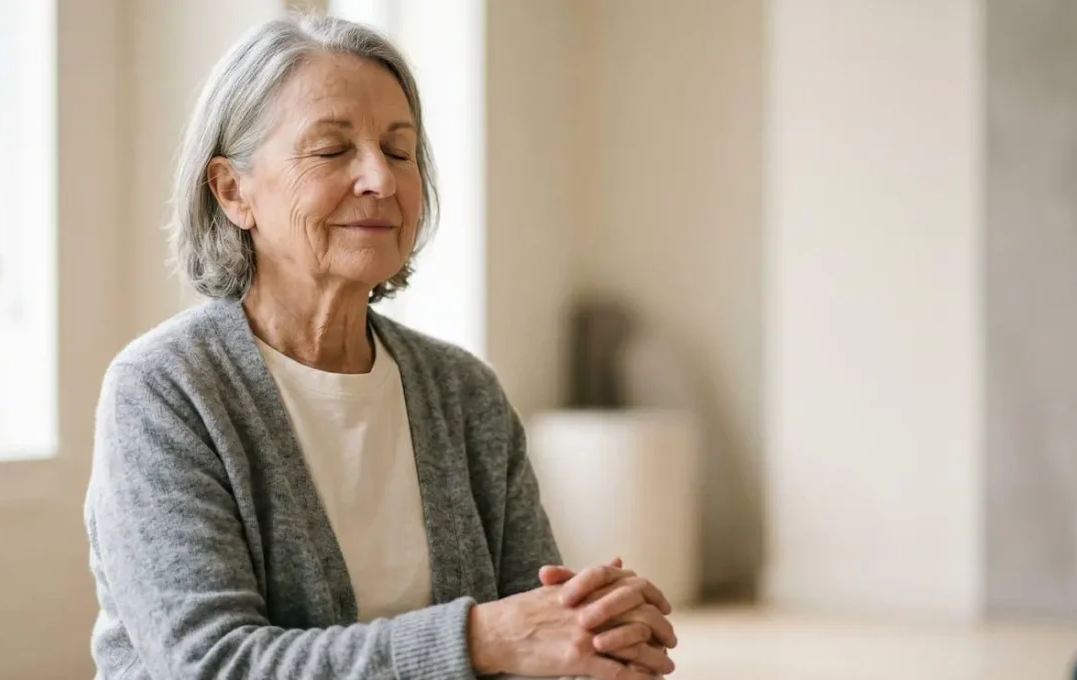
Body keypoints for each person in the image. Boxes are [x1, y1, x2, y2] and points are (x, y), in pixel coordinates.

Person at [83, 12, 677, 680]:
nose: (382, 180)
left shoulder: (464, 391)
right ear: (232, 191)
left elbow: (530, 631)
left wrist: (596, 635)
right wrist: (479, 638)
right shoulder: (164, 388)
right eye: (333, 150)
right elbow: (212, 665)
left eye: (399, 152)